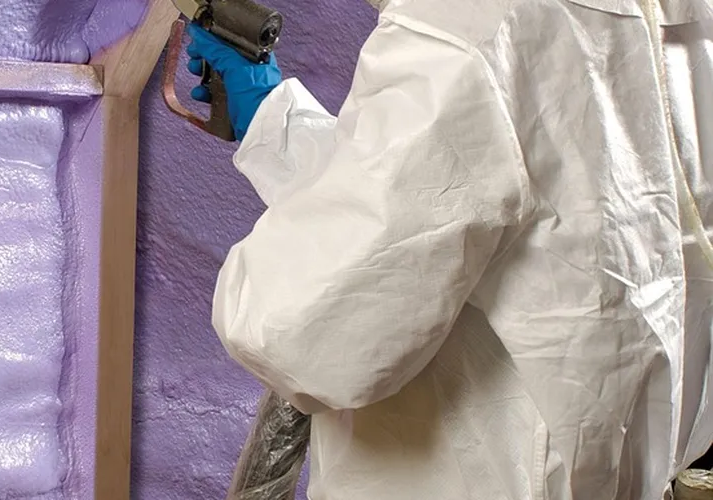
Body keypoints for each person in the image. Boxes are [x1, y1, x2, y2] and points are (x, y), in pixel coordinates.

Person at [186, 0, 713, 498]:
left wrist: (256, 286)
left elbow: (311, 329)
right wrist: (276, 125)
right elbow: (462, 206)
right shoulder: (681, 18)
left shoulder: (467, 24)